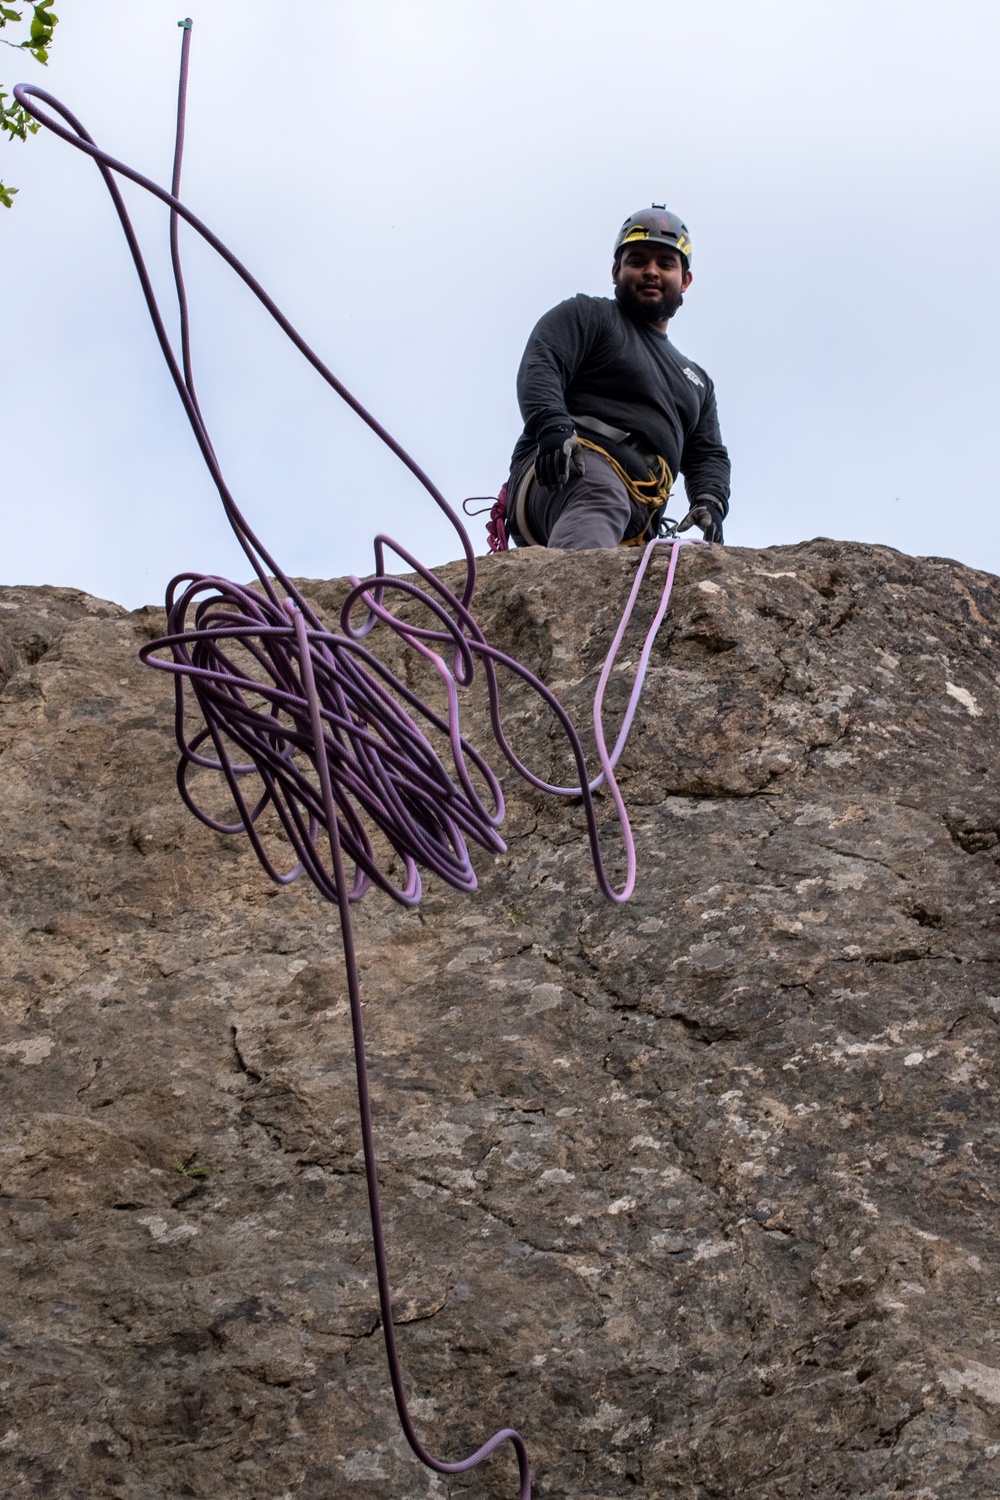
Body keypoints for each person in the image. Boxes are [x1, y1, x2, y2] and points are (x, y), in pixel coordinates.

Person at [505, 205, 731, 551]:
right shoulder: (590, 316)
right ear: (616, 272)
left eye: (665, 264)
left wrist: (710, 500)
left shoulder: (697, 382)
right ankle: (567, 599)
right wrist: (552, 427)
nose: (651, 271)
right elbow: (543, 364)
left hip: (639, 516)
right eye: (638, 261)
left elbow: (707, 454)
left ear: (685, 280)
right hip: (564, 473)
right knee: (602, 492)